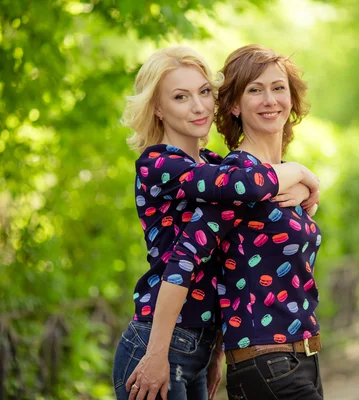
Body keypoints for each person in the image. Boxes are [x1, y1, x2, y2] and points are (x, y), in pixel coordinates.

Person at [113, 46, 321, 400]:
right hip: (158, 339)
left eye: (205, 92)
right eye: (181, 97)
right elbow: (243, 186)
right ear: (158, 108)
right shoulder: (159, 165)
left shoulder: (212, 163)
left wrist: (218, 350)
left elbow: (230, 266)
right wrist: (301, 174)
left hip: (200, 343)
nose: (198, 106)